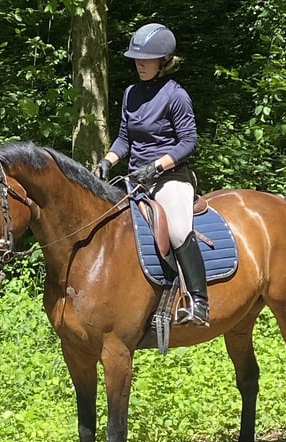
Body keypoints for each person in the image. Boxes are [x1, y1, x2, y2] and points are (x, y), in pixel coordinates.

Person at [93, 23, 208, 327]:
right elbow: (124, 140)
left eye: (146, 59)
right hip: (136, 178)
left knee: (179, 229)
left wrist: (157, 166)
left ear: (165, 60)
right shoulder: (131, 93)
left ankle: (198, 302)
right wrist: (108, 160)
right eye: (136, 59)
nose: (139, 64)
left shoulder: (176, 96)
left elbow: (188, 142)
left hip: (171, 178)